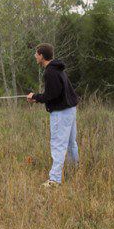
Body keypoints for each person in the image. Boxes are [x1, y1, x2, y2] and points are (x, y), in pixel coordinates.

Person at [27, 43, 79, 188]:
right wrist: (38, 98)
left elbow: (52, 95)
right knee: (70, 143)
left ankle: (55, 180)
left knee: (58, 145)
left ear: (42, 56)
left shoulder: (50, 71)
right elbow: (57, 93)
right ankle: (74, 171)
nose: (35, 56)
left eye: (36, 54)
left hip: (61, 113)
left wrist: (35, 97)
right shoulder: (58, 69)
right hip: (70, 110)